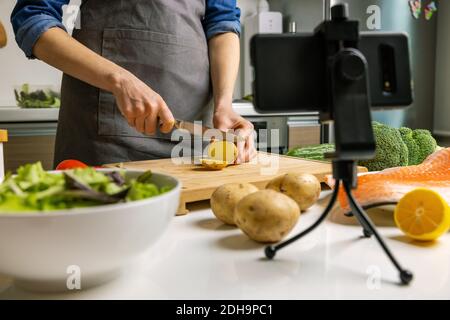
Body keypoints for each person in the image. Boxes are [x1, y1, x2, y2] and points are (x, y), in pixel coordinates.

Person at [11, 0, 257, 166]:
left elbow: (222, 22)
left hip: (193, 135)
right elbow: (33, 17)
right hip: (104, 139)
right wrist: (119, 80)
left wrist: (224, 105)